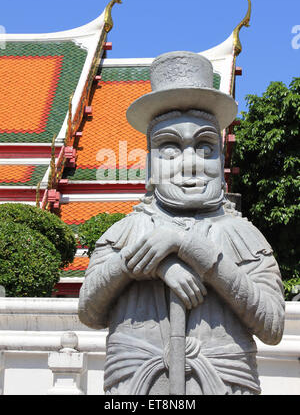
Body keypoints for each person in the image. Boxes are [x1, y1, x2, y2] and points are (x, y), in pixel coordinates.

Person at [78, 52, 285, 395]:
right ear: (149, 165)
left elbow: (272, 327)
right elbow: (90, 312)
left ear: (221, 160)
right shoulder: (126, 231)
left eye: (205, 148)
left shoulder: (243, 235)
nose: (190, 164)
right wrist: (148, 261)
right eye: (170, 149)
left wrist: (192, 248)